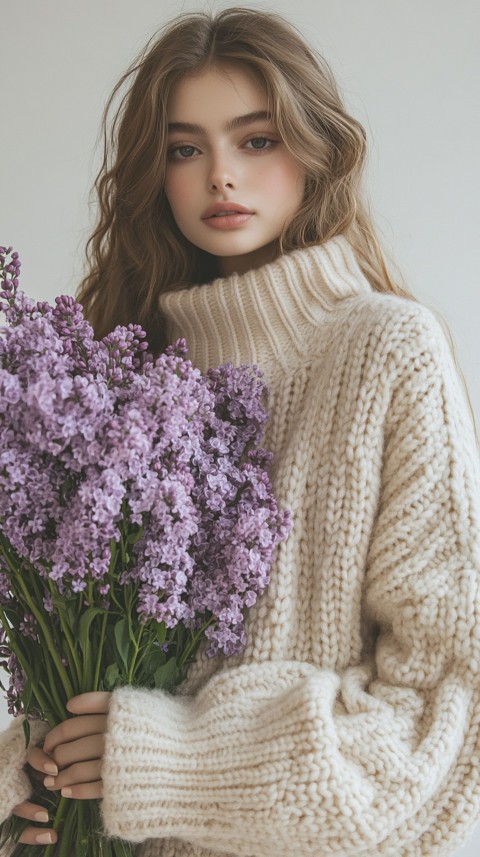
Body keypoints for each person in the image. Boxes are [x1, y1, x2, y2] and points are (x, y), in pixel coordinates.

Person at [1, 7, 479, 856]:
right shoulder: (111, 381)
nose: (221, 175)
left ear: (315, 149)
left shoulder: (386, 351)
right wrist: (31, 776)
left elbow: (442, 711)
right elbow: (73, 686)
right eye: (185, 149)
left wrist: (173, 758)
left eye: (256, 140)